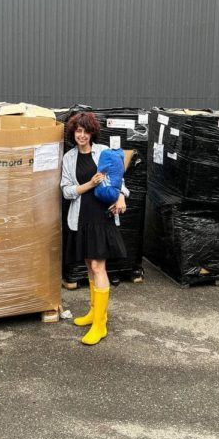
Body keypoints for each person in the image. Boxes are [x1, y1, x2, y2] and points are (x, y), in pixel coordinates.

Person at [60, 112, 128, 345]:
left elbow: (119, 179)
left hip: (102, 216)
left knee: (99, 266)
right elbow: (66, 191)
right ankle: (94, 312)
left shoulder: (103, 152)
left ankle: (100, 325)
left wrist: (121, 196)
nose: (82, 135)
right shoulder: (69, 157)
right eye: (78, 131)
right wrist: (90, 184)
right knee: (90, 265)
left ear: (92, 133)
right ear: (73, 133)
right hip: (80, 217)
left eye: (86, 131)